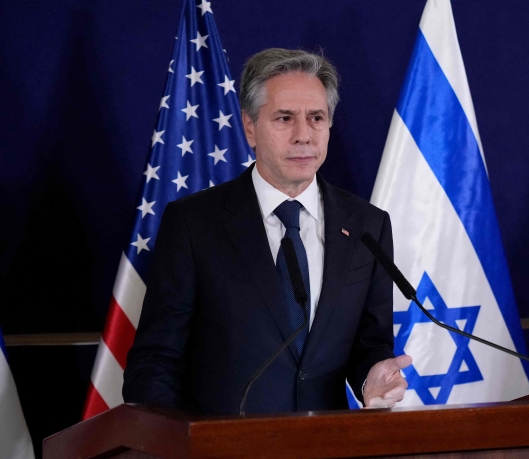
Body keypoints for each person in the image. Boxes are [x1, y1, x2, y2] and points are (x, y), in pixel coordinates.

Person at [123, 49, 410, 414]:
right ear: (249, 127)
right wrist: (167, 449)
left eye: (316, 118)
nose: (303, 135)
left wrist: (373, 375)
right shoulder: (193, 224)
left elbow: (369, 343)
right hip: (221, 455)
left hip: (329, 452)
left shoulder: (367, 224)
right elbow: (157, 359)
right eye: (285, 118)